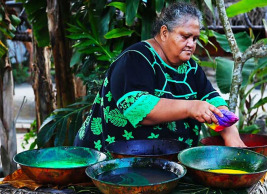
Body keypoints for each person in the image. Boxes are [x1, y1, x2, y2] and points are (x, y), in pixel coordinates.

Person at [73, 2, 246, 151]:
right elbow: (139, 109)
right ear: (164, 33)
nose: (191, 44)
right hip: (111, 165)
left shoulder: (191, 68)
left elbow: (213, 100)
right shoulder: (135, 59)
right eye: (185, 36)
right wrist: (191, 107)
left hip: (165, 166)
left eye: (195, 38)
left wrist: (231, 133)